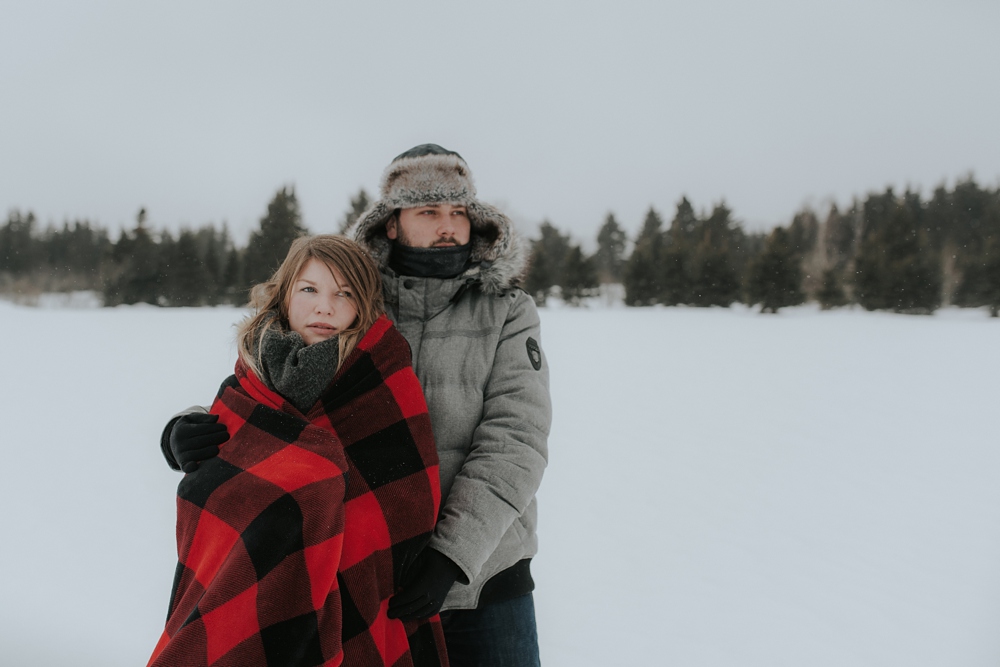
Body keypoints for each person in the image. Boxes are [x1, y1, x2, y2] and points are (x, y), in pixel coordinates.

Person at [166, 145, 551, 666]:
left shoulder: (507, 311)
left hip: (484, 578)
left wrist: (450, 557)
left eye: (459, 212)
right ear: (391, 224)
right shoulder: (351, 298)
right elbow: (277, 382)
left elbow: (516, 441)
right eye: (429, 211)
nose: (448, 226)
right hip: (373, 574)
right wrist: (187, 428)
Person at [149, 235, 448, 667]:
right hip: (251, 592)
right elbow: (229, 464)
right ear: (284, 295)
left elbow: (407, 501)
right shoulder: (255, 368)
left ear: (363, 304)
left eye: (343, 293)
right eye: (309, 289)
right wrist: (176, 434)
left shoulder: (381, 374)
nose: (324, 307)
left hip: (359, 594)